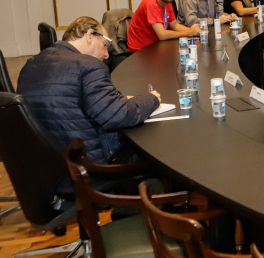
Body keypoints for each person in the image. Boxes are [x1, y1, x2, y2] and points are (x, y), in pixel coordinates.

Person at [18, 16, 161, 177]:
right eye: (105, 45)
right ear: (89, 35)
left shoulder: (33, 63)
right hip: (88, 166)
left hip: (49, 168)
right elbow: (118, 115)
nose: (107, 54)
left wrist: (116, 100)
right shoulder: (88, 66)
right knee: (157, 144)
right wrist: (152, 99)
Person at [127, 0, 199, 52]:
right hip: (140, 52)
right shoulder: (151, 4)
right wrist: (189, 32)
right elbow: (162, 35)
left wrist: (194, 31)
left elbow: (175, 25)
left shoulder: (167, 1)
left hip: (155, 46)